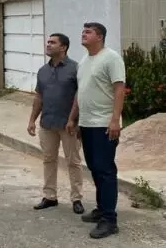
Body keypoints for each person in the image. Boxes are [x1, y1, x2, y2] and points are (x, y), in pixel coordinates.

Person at [66, 22, 125, 239]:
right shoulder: (85, 60)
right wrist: (73, 118)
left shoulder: (111, 58)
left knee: (105, 170)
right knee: (94, 168)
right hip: (87, 123)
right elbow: (81, 93)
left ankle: (110, 220)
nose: (83, 34)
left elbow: (119, 89)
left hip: (104, 124)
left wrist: (115, 120)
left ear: (99, 37)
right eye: (83, 31)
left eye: (88, 32)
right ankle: (102, 209)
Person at [27, 33, 84, 214]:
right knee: (48, 160)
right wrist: (32, 120)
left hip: (69, 125)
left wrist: (74, 120)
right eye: (48, 42)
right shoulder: (43, 71)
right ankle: (50, 196)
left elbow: (80, 96)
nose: (48, 45)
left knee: (73, 162)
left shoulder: (76, 69)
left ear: (63, 47)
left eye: (52, 42)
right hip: (47, 124)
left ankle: (77, 198)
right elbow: (39, 97)